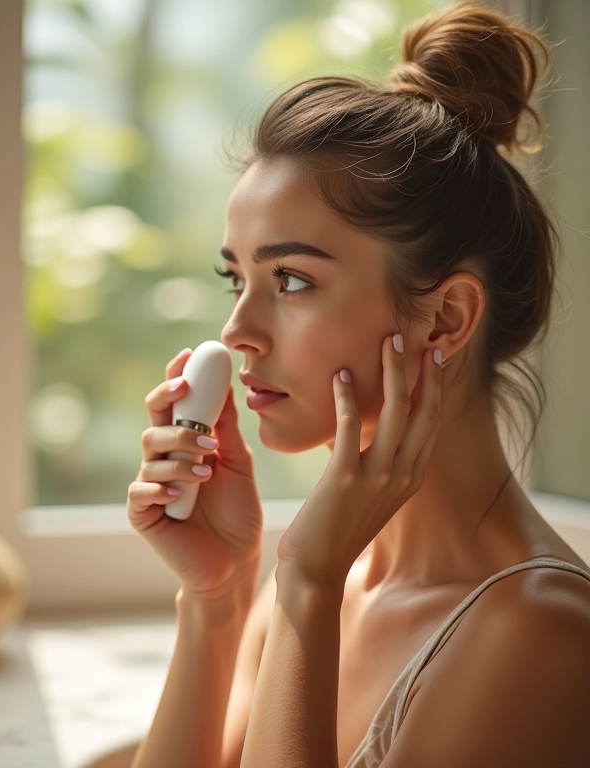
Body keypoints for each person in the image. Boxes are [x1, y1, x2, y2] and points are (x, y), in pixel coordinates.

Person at [125, 2, 590, 766]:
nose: (238, 330)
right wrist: (216, 600)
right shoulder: (318, 577)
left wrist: (305, 584)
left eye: (293, 280)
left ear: (444, 319)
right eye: (234, 278)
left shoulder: (540, 634)